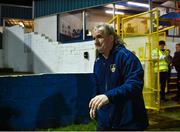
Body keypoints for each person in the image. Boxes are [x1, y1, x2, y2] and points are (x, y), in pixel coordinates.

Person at [89, 23, 149, 131]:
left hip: (128, 122)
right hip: (105, 122)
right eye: (94, 38)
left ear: (111, 38)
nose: (96, 42)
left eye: (99, 37)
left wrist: (109, 96)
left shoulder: (126, 57)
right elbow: (98, 88)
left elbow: (134, 85)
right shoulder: (98, 62)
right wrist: (95, 105)